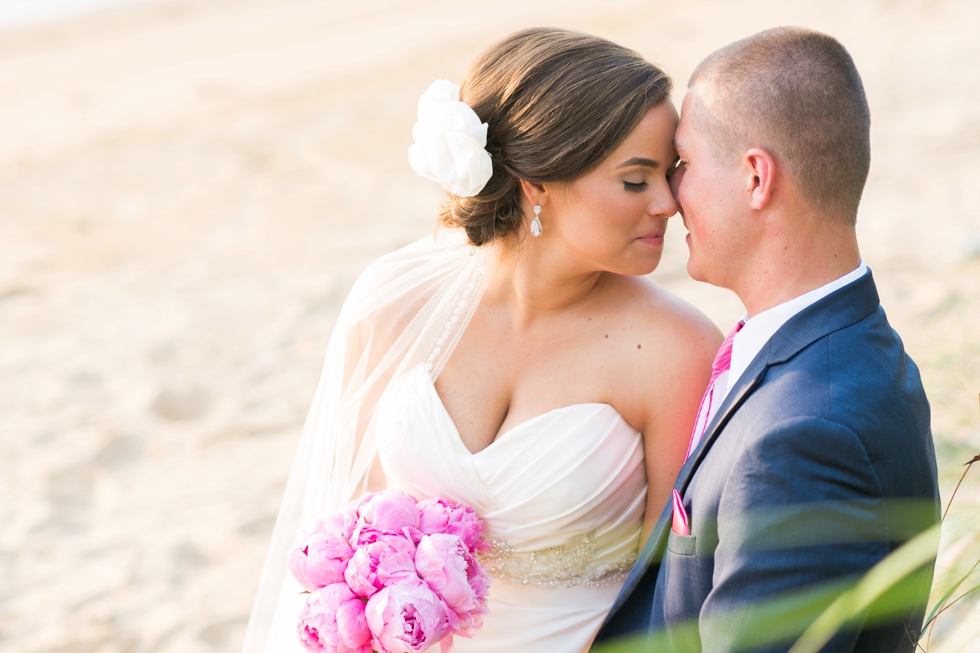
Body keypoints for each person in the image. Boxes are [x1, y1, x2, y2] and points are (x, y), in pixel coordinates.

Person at [242, 27, 721, 653]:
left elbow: (670, 590)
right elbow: (350, 542)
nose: (668, 204)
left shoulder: (677, 350)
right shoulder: (394, 304)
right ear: (537, 184)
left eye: (670, 175)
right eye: (636, 180)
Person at [592, 27, 941, 652]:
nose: (670, 199)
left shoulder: (807, 434)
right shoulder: (842, 347)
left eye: (685, 164)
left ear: (756, 177)